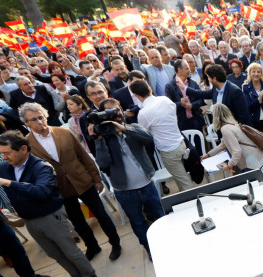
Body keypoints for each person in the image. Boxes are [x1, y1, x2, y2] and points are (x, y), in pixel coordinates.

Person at [0, 131, 98, 277]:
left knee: (69, 249)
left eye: (7, 153)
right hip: (30, 220)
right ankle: (75, 276)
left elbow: (41, 192)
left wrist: (8, 183)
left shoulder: (41, 166)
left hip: (51, 216)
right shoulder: (4, 167)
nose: (3, 157)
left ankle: (89, 274)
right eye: (1, 153)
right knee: (53, 252)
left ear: (23, 149)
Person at [20, 102, 123, 261]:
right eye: (33, 119)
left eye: (41, 116)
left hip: (83, 180)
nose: (39, 121)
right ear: (26, 123)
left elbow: (84, 156)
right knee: (77, 221)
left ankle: (115, 243)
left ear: (46, 116)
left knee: (101, 215)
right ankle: (92, 246)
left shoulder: (64, 132)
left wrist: (97, 179)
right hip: (60, 188)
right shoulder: (27, 145)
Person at [90, 97, 165, 258]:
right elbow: (103, 163)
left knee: (159, 215)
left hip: (146, 184)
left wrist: (123, 129)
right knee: (138, 222)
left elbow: (148, 138)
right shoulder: (103, 137)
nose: (115, 113)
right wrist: (98, 140)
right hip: (124, 191)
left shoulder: (132, 128)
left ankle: (167, 241)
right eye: (109, 112)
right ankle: (149, 248)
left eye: (116, 109)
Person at [131, 80, 195, 192]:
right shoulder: (165, 100)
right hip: (181, 143)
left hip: (169, 151)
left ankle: (194, 204)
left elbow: (143, 133)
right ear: (150, 89)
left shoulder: (143, 113)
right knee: (182, 179)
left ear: (137, 96)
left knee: (184, 182)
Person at [201, 104, 263, 173]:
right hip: (256, 157)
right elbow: (223, 144)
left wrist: (229, 165)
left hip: (250, 163)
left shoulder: (225, 129)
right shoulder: (233, 124)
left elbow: (237, 151)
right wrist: (208, 155)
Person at [181, 64, 252, 125]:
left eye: (208, 77)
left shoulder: (235, 91)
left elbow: (244, 115)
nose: (208, 79)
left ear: (214, 78)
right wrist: (184, 88)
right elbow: (201, 93)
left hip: (235, 132)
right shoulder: (215, 89)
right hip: (222, 131)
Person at [165, 59, 204, 132]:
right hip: (181, 124)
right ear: (179, 70)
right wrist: (180, 104)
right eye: (187, 69)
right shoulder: (170, 86)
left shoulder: (193, 83)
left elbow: (201, 100)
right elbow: (168, 106)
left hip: (196, 121)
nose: (189, 70)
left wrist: (193, 105)